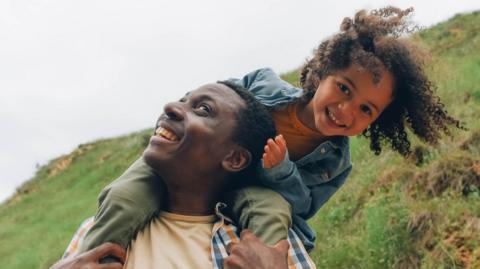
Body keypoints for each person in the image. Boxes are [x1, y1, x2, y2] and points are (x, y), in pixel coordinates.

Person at [78, 6, 463, 256]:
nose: (346, 111)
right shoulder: (264, 84)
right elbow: (211, 95)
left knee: (274, 212)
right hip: (193, 164)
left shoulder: (335, 162)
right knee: (125, 197)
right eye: (343, 88)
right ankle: (89, 258)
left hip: (250, 190)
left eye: (366, 109)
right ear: (324, 72)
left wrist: (281, 171)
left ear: (377, 120)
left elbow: (303, 207)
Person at [57, 82, 316, 269]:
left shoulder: (269, 248)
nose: (171, 107)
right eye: (183, 100)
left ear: (234, 158)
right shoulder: (96, 229)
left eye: (203, 109)